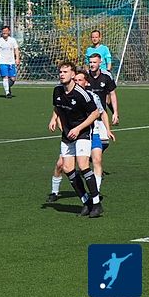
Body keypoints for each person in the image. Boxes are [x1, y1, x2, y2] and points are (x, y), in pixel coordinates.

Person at [48, 62, 101, 218]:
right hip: (67, 134)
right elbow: (57, 107)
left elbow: (95, 113)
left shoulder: (81, 94)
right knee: (67, 168)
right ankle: (86, 202)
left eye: (65, 72)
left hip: (82, 133)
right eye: (60, 72)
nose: (61, 74)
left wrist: (78, 128)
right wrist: (53, 119)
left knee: (83, 165)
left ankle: (97, 204)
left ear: (72, 75)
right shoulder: (57, 90)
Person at [87, 53, 120, 126]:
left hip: (102, 114)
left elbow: (112, 94)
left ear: (100, 63)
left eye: (94, 62)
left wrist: (115, 113)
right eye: (90, 62)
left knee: (105, 134)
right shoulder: (85, 76)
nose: (92, 64)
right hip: (87, 115)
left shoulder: (106, 76)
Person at [0, 26, 20, 98]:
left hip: (11, 62)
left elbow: (16, 49)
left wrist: (17, 58)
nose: (5, 32)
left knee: (13, 79)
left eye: (6, 31)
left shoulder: (13, 40)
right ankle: (7, 93)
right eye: (3, 31)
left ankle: (7, 86)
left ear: (9, 32)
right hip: (2, 62)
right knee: (5, 77)